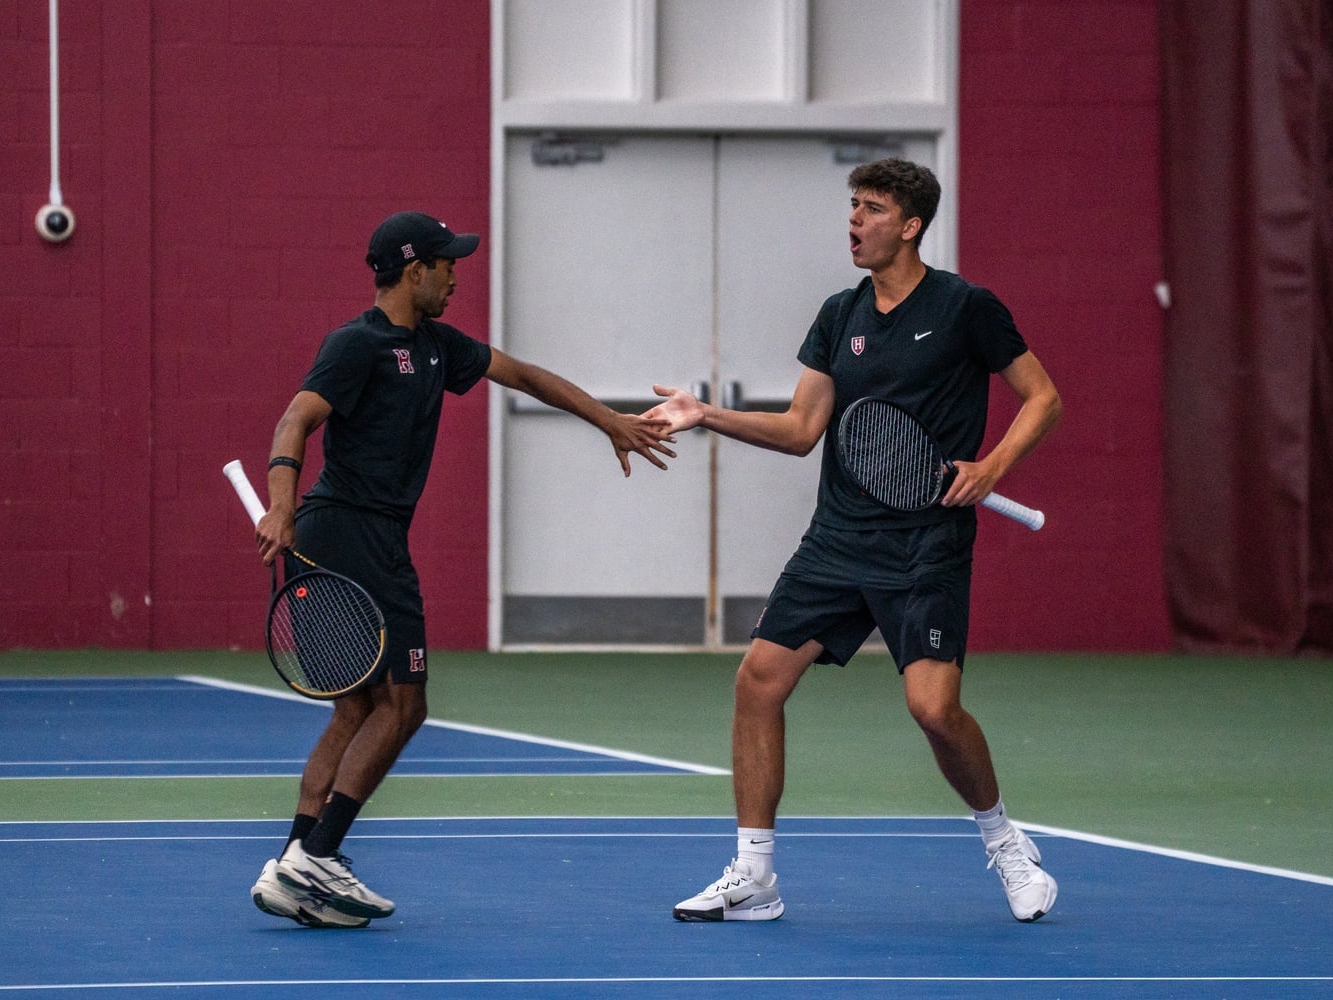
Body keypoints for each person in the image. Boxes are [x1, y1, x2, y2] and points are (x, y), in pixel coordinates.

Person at [648, 159, 1062, 924]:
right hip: (838, 539)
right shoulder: (839, 315)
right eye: (853, 206)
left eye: (871, 209)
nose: (854, 220)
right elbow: (802, 430)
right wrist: (706, 415)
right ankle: (755, 876)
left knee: (933, 710)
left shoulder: (966, 307)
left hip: (926, 543)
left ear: (910, 226)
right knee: (758, 681)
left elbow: (1043, 397)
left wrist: (992, 466)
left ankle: (1004, 840)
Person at [248, 210, 677, 928]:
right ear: (414, 271)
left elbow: (525, 375)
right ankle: (318, 856)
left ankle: (296, 863)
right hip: (351, 536)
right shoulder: (356, 345)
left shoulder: (438, 346)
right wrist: (280, 506)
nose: (455, 277)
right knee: (405, 704)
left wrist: (610, 420)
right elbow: (295, 419)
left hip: (355, 539)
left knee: (357, 708)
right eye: (447, 265)